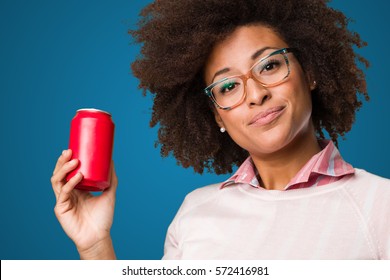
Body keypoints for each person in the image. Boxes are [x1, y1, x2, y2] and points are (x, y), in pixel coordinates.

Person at [51, 0, 390, 259]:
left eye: (270, 65)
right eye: (228, 86)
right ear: (216, 117)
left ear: (310, 73)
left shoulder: (380, 205)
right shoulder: (195, 212)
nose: (256, 94)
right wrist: (96, 245)